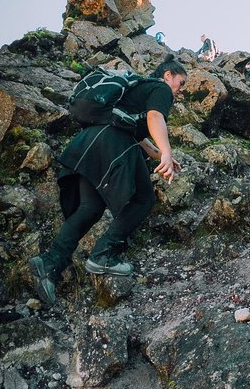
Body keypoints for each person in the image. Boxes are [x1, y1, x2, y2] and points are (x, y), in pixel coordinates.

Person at [28, 54, 187, 306]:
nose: (180, 91)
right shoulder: (160, 87)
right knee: (143, 199)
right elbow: (155, 117)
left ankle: (49, 263)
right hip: (112, 143)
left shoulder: (133, 91)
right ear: (168, 75)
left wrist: (161, 154)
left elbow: (137, 133)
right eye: (181, 83)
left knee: (90, 208)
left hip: (90, 142)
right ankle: (104, 255)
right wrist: (166, 151)